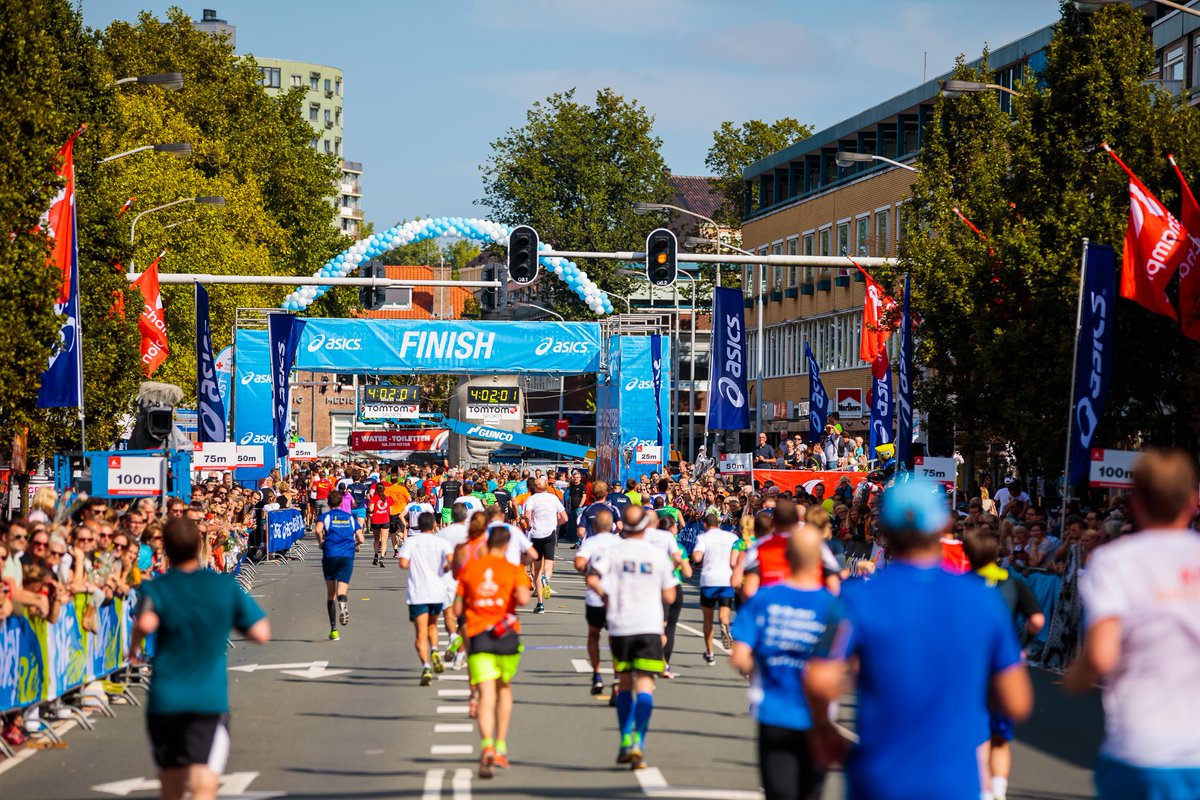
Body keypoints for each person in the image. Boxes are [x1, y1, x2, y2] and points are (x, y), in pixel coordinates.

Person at [805, 478, 1033, 800]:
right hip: (954, 781)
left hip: (878, 779)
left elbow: (818, 680)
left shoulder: (859, 598)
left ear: (884, 528)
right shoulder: (982, 600)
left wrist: (824, 731)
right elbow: (1017, 701)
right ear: (942, 525)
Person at [1065, 450, 1200, 800]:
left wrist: (1075, 678)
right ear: (1193, 501)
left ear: (1135, 503)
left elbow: (1102, 654)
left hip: (1139, 749)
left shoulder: (1115, 562)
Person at [130, 518, 270, 800]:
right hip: (208, 698)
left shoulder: (158, 587)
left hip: (165, 698)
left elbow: (144, 623)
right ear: (199, 545)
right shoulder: (220, 586)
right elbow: (261, 632)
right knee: (204, 783)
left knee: (170, 784)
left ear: (166, 548)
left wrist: (134, 651)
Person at [730, 524, 834, 800]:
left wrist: (770, 667)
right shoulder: (835, 607)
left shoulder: (764, 599)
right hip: (819, 717)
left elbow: (739, 657)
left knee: (779, 793)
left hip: (773, 712)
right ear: (820, 561)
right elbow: (850, 666)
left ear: (786, 557)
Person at [587, 505, 677, 770]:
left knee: (624, 684)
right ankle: (639, 741)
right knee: (646, 685)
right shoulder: (656, 554)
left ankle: (626, 738)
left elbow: (592, 577)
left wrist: (606, 595)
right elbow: (670, 595)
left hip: (621, 624)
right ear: (646, 526)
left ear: (621, 525)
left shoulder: (613, 551)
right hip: (649, 625)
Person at [963, 528, 1045, 800]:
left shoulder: (961, 584)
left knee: (979, 735)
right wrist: (1020, 644)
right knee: (1000, 737)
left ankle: (983, 792)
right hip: (1004, 667)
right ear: (998, 553)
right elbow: (1037, 621)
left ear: (968, 554)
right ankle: (999, 790)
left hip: (971, 667)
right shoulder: (1013, 581)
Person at [454, 524, 533, 778]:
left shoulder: (471, 568)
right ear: (508, 545)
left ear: (487, 543)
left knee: (486, 694)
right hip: (506, 634)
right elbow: (523, 599)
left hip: (478, 635)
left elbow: (457, 610)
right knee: (504, 687)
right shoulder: (514, 569)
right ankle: (500, 745)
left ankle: (486, 744)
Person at [399, 511, 454, 686]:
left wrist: (413, 564)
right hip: (437, 591)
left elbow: (403, 564)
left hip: (417, 592)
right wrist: (445, 567)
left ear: (418, 525)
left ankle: (426, 666)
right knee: (432, 625)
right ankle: (436, 650)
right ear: (434, 525)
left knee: (420, 633)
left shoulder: (411, 542)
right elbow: (451, 561)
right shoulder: (442, 542)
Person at [575, 507, 620, 696]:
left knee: (594, 634)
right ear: (612, 526)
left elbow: (579, 563)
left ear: (594, 525)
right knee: (616, 638)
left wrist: (587, 571)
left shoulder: (591, 542)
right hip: (616, 598)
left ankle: (597, 674)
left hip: (595, 596)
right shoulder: (620, 543)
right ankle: (618, 677)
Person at [314, 489, 363, 641]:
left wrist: (321, 542)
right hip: (346, 555)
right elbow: (361, 539)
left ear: (328, 504)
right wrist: (353, 543)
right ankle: (343, 601)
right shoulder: (349, 517)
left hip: (330, 554)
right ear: (342, 504)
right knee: (342, 589)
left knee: (330, 593)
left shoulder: (325, 516)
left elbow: (317, 530)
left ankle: (334, 630)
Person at [692, 511, 740, 665]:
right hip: (726, 579)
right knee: (724, 614)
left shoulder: (703, 537)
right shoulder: (731, 537)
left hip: (709, 580)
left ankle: (710, 652)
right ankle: (725, 627)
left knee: (707, 619)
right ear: (719, 524)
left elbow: (697, 557)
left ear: (705, 525)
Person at [523, 477, 567, 613]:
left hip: (536, 535)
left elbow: (526, 515)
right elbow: (565, 517)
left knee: (536, 569)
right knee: (549, 563)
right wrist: (555, 525)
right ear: (546, 486)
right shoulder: (553, 498)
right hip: (549, 533)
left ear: (535, 488)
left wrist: (529, 525)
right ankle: (546, 579)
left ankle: (540, 604)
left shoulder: (532, 499)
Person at [368, 481, 391, 567]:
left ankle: (376, 555)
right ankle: (382, 557)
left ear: (376, 490)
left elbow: (371, 510)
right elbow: (391, 511)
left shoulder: (373, 498)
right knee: (384, 540)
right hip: (385, 520)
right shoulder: (388, 498)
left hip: (375, 521)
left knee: (376, 539)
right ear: (384, 489)